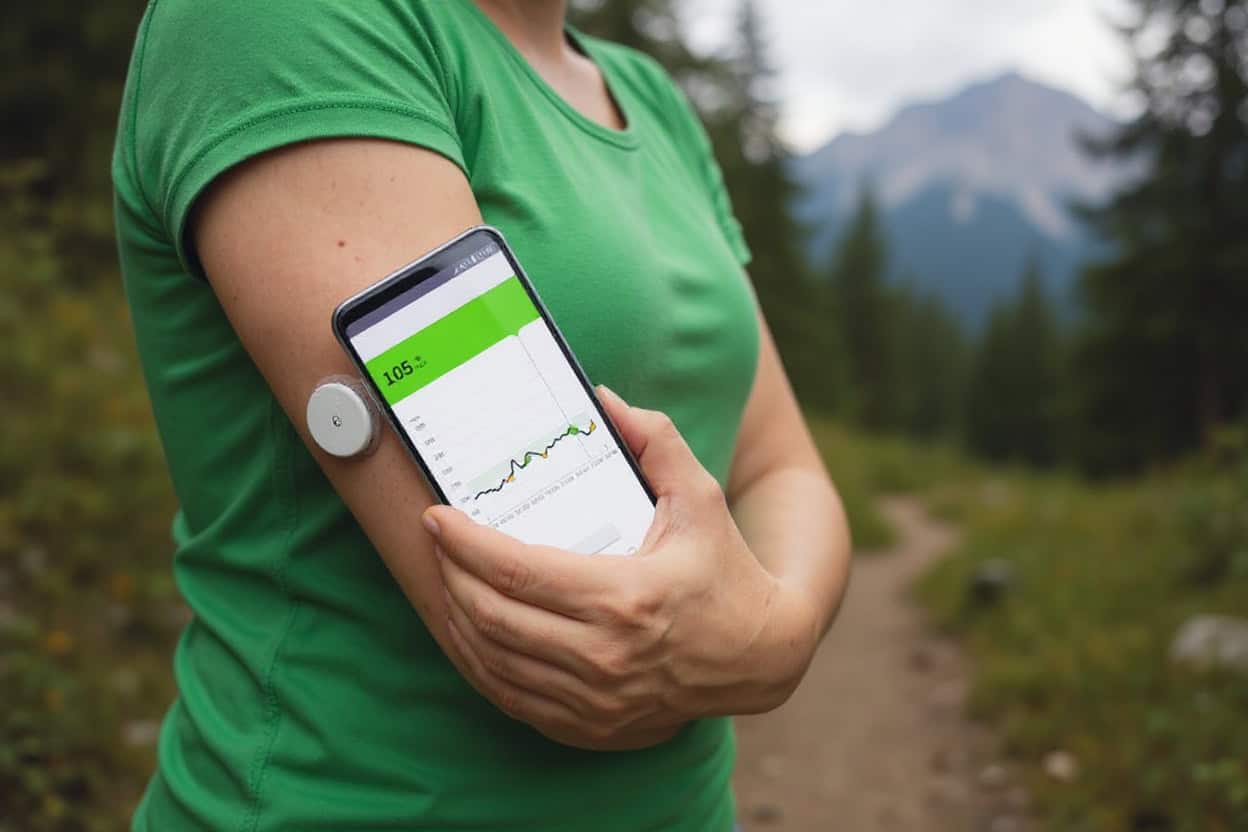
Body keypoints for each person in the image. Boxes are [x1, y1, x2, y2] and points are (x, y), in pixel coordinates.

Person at [111, 0, 851, 829]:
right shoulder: (291, 21)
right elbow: (557, 649)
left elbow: (781, 466)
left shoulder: (649, 96)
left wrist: (780, 631)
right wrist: (754, 641)